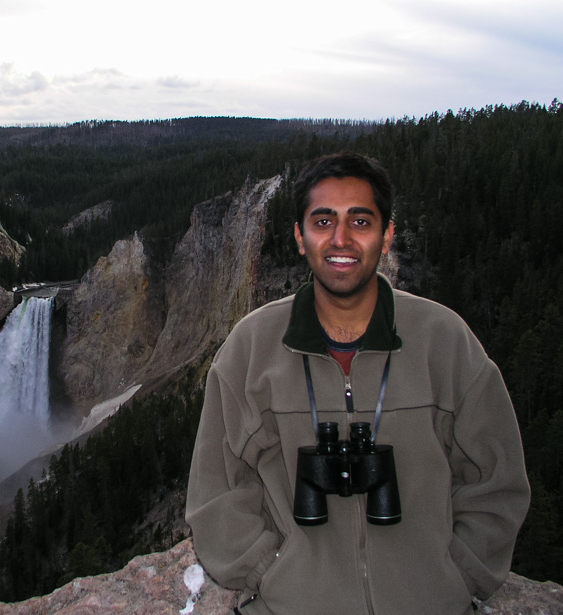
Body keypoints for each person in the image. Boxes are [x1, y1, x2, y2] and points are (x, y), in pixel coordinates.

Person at [185, 152, 530, 614]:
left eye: (361, 221)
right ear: (299, 237)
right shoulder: (251, 349)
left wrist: (455, 574)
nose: (341, 239)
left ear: (387, 235)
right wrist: (270, 571)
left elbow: (497, 480)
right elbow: (216, 490)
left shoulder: (444, 342)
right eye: (323, 221)